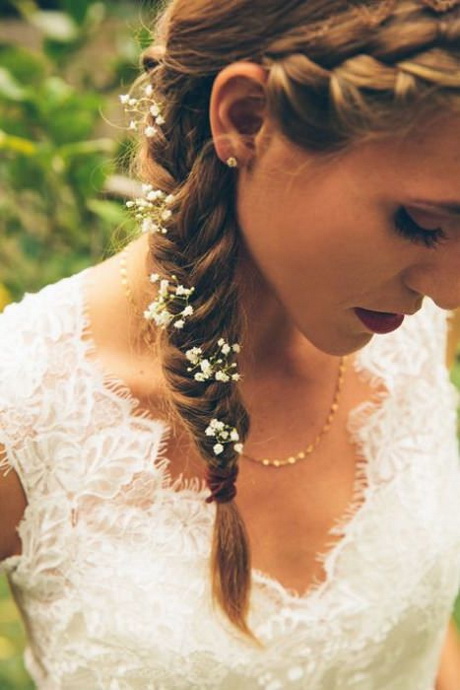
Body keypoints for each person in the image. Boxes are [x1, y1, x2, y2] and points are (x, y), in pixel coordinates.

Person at [1, 0, 460, 687]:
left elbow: (415, 641)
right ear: (248, 119)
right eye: (421, 224)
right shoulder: (25, 409)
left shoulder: (410, 326)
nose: (450, 290)